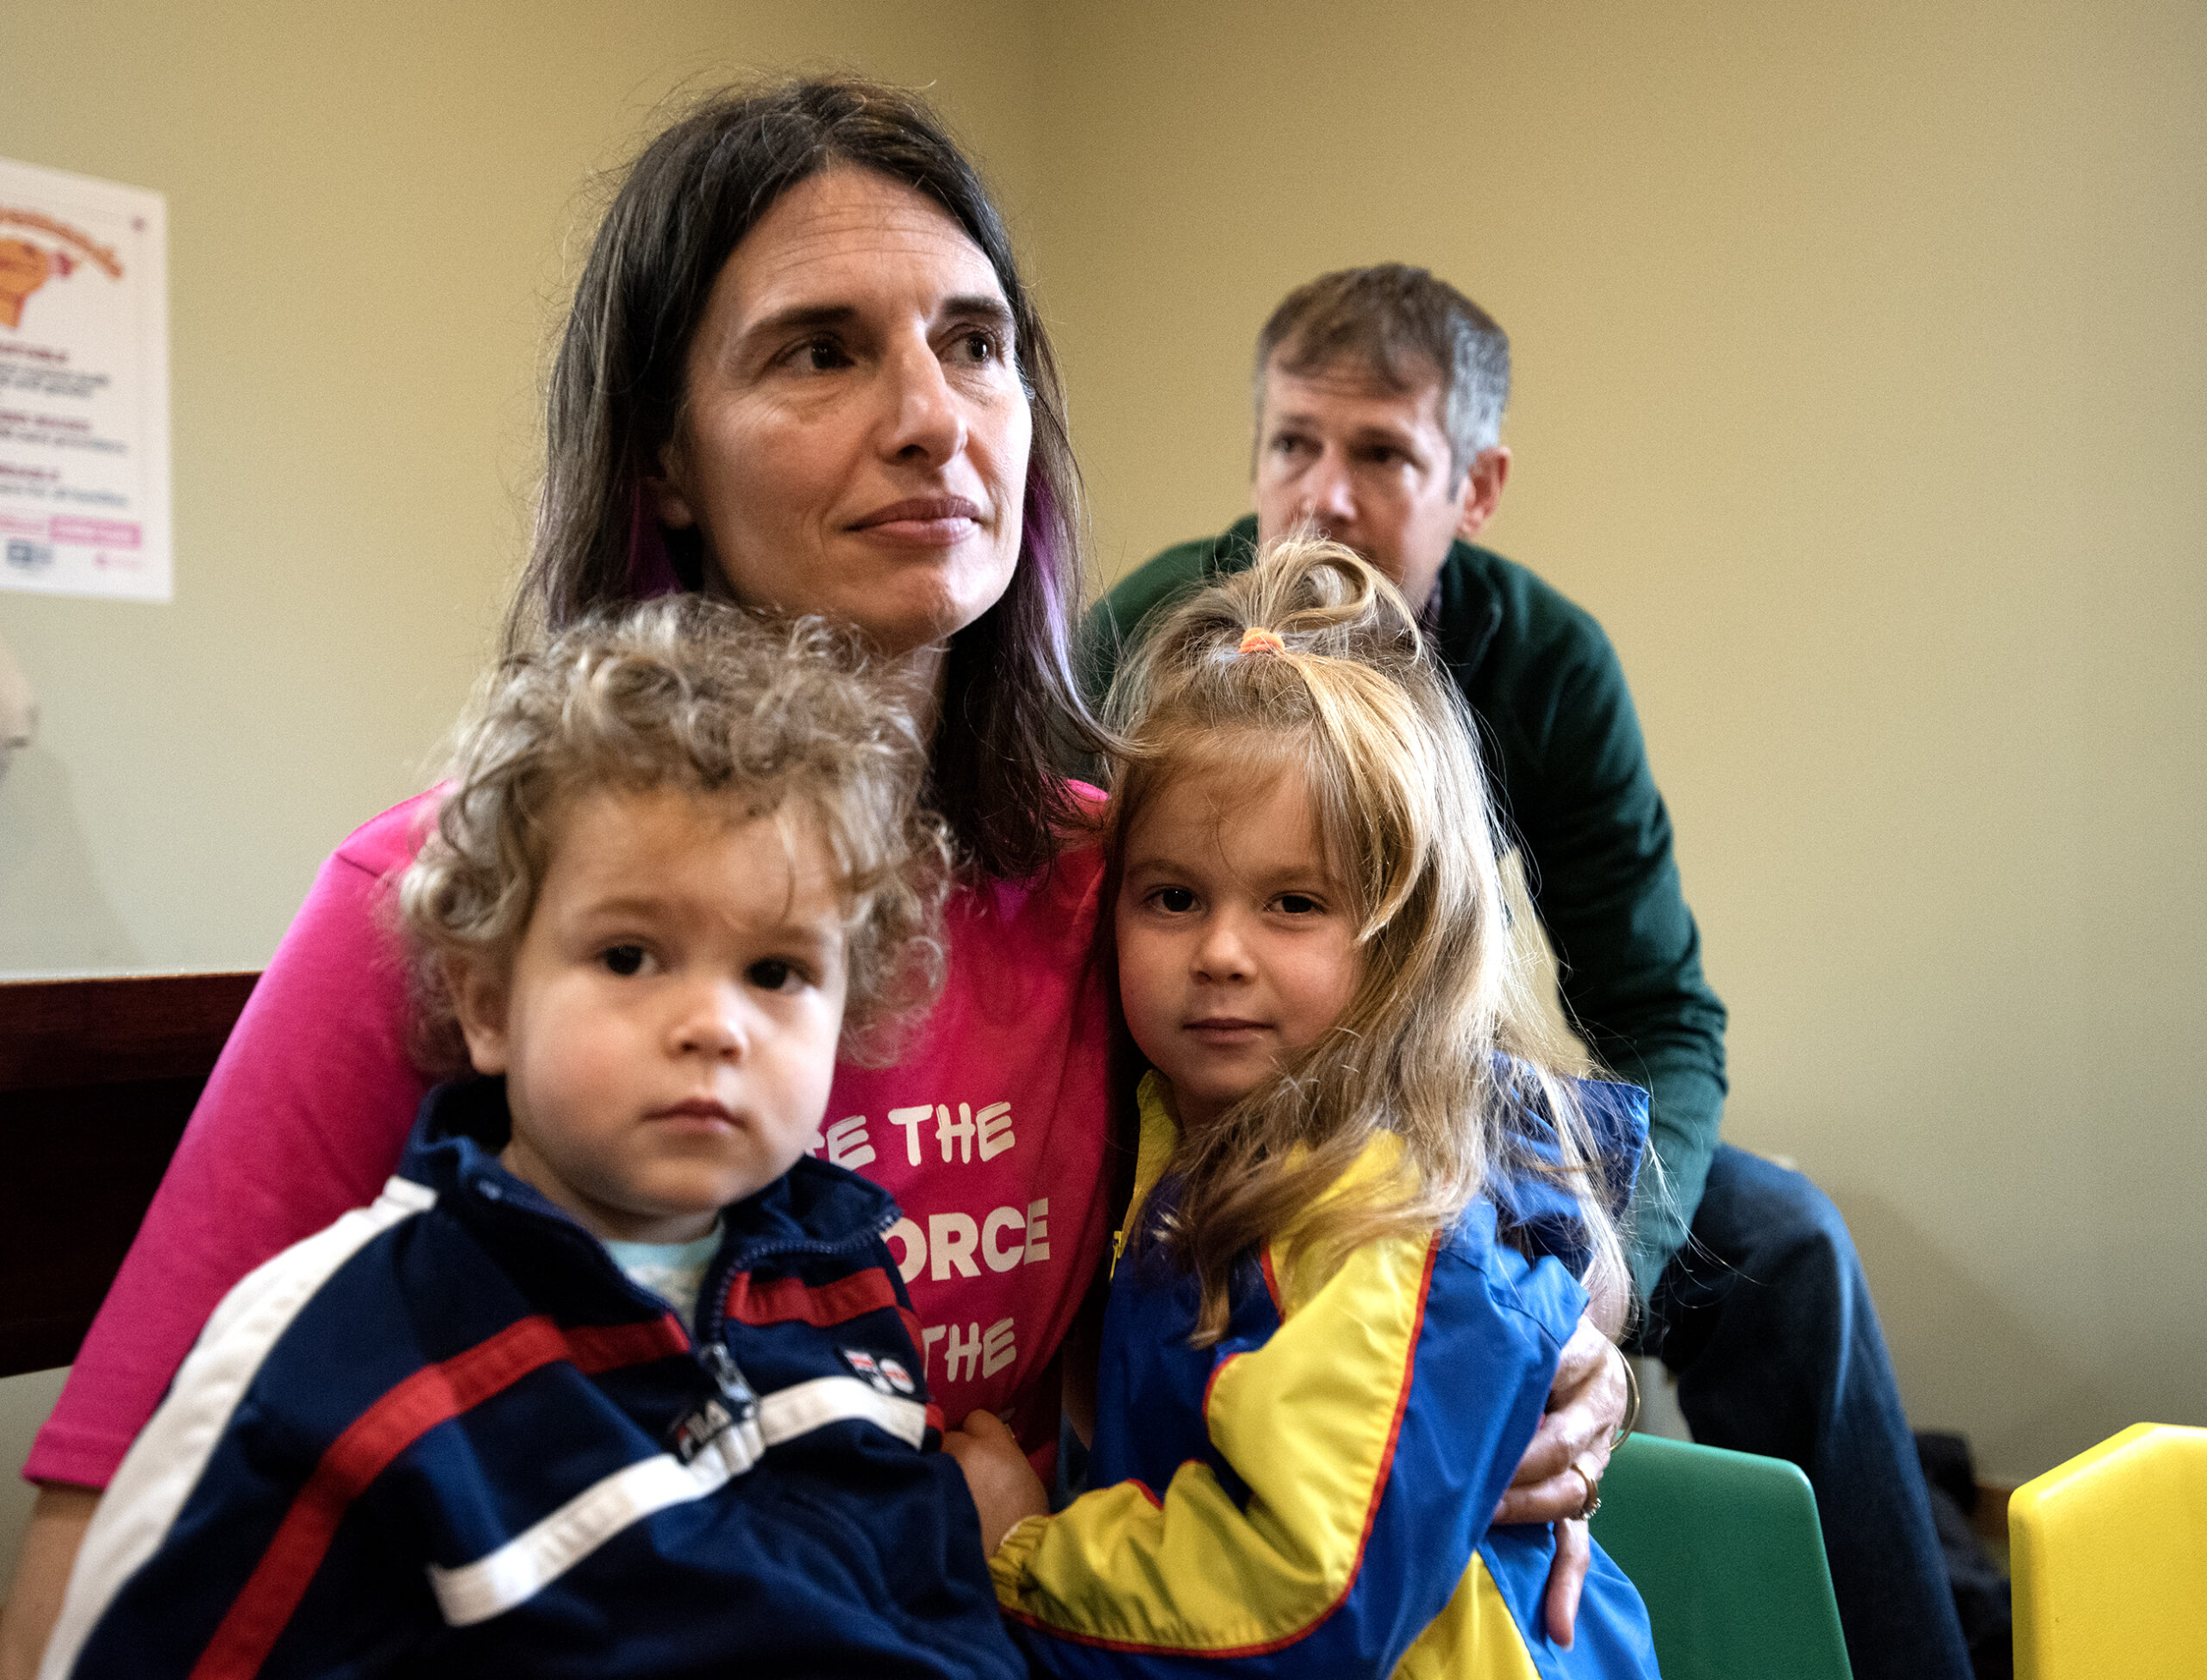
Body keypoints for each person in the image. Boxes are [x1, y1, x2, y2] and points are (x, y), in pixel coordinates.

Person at [0, 84, 1624, 1677]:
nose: (934, 415)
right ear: (664, 463)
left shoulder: (1129, 879)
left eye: (976, 343)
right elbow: (111, 1530)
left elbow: (1446, 1094)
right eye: (822, 349)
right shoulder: (434, 902)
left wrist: (1576, 1332)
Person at [1084, 265, 1973, 1679]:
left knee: (1790, 1238)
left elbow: (1663, 1015)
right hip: (1201, 1097)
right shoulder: (1156, 634)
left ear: (1475, 484)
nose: (1324, 492)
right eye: (1292, 443)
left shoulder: (1549, 665)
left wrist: (1596, 1274)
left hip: (1439, 1084)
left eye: (1380, 453)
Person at [38, 599, 1030, 1679]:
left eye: (777, 972)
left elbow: (926, 1613)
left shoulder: (845, 1277)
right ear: (489, 1003)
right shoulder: (341, 1353)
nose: (715, 1023)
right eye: (628, 955)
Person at [948, 534, 1658, 1675]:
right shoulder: (1190, 1119)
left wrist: (1020, 1550)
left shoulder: (1380, 1203)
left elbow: (1300, 1602)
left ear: (1405, 936)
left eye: (1294, 903)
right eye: (1173, 896)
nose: (1220, 952)